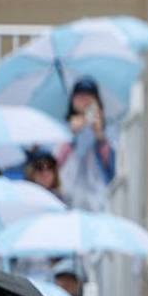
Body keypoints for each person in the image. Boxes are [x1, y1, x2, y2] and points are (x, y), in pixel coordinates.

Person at [56, 77, 115, 212]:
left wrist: (100, 136)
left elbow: (112, 169)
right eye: (79, 95)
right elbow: (55, 163)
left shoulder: (108, 129)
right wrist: (71, 135)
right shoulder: (61, 129)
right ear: (72, 100)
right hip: (67, 199)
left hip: (99, 201)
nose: (84, 100)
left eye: (89, 95)